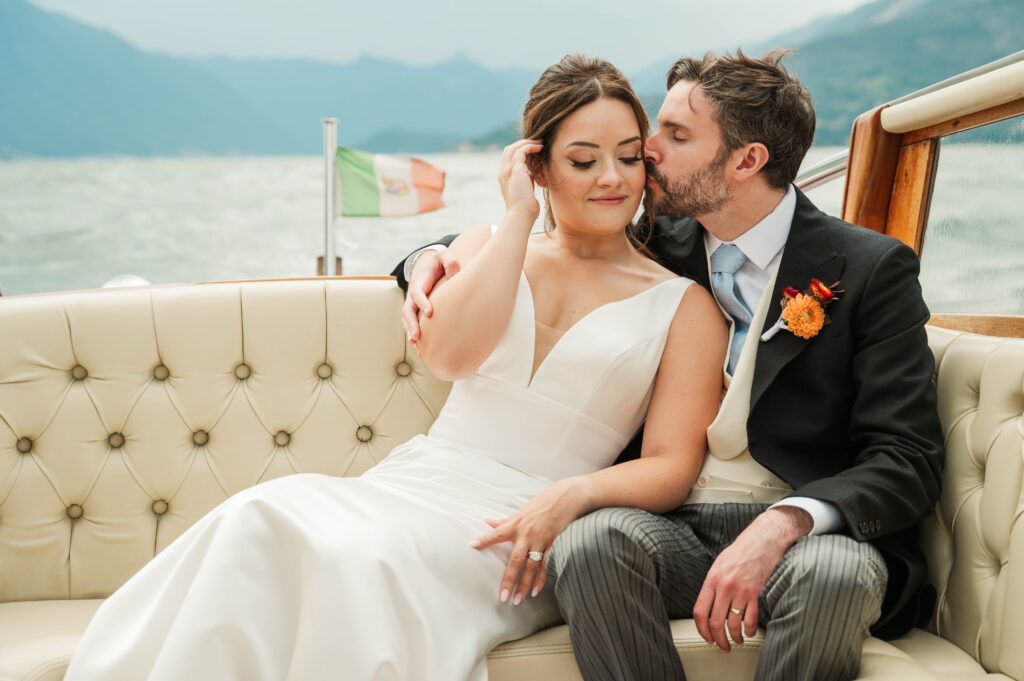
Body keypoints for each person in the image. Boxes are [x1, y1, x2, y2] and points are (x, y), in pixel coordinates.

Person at [63, 55, 727, 681]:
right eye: (583, 160)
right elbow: (449, 355)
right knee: (260, 515)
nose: (612, 178)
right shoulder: (487, 246)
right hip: (418, 480)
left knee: (361, 560)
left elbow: (672, 464)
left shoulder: (682, 305)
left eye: (628, 157)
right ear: (539, 166)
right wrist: (518, 218)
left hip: (522, 525)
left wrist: (577, 495)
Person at [395, 49, 944, 681]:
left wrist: (786, 523)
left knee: (838, 573)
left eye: (676, 135)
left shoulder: (871, 269)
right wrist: (423, 262)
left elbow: (908, 457)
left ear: (746, 160)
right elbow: (549, 243)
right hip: (666, 529)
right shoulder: (663, 236)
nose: (647, 151)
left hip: (805, 539)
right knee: (591, 544)